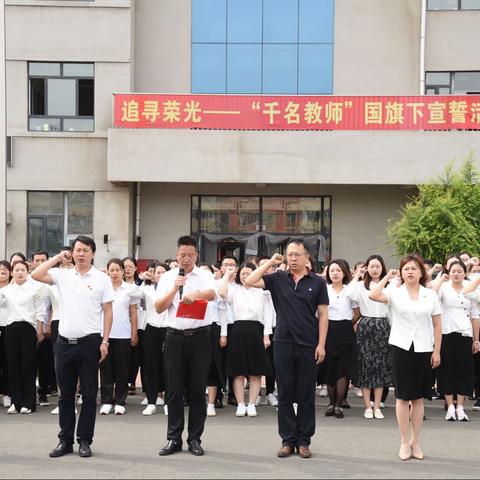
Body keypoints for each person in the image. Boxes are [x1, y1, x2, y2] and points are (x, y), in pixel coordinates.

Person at [31, 235, 114, 459]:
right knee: (65, 396)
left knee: (88, 395)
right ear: (72, 252)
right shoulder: (62, 275)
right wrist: (58, 257)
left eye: (85, 250)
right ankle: (65, 440)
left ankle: (84, 440)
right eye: (77, 250)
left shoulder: (101, 278)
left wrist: (105, 341)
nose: (80, 254)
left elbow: (108, 311)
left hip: (90, 343)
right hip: (64, 344)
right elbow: (36, 274)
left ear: (93, 253)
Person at [245, 239, 329, 459]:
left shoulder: (317, 282)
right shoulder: (278, 278)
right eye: (289, 254)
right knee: (285, 393)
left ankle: (304, 441)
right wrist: (270, 263)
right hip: (283, 342)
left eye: (297, 254)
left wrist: (321, 344)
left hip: (309, 344)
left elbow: (323, 316)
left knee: (305, 395)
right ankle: (287, 440)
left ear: (306, 256)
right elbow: (251, 281)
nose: (292, 258)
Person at [369, 255, 442, 461]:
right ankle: (403, 441)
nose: (410, 271)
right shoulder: (395, 292)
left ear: (421, 272)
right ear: (401, 272)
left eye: (414, 268)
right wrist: (388, 278)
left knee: (418, 398)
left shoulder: (430, 295)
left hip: (423, 348)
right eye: (406, 269)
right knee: (402, 397)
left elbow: (437, 324)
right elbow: (374, 295)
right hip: (400, 346)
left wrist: (437, 351)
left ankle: (416, 441)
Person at [155, 235, 216, 457]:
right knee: (174, 389)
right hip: (174, 337)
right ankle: (173, 439)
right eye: (182, 255)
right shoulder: (168, 277)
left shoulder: (205, 275)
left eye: (190, 255)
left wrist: (194, 294)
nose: (186, 259)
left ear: (196, 255)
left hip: (200, 337)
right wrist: (174, 289)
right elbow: (159, 307)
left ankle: (195, 439)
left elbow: (211, 293)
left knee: (198, 390)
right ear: (177, 255)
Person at [219, 263, 273, 417]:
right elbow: (222, 292)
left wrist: (266, 335)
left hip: (257, 330)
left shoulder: (263, 293)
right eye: (242, 273)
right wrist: (227, 275)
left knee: (256, 371)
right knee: (238, 371)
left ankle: (252, 404)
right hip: (238, 330)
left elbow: (268, 314)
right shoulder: (235, 291)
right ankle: (241, 404)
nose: (245, 276)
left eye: (248, 273)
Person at [432, 261, 479, 421]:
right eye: (453, 271)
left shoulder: (470, 287)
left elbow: (474, 315)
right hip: (446, 332)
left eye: (459, 271)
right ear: (449, 272)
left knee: (464, 370)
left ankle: (460, 406)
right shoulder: (444, 287)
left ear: (465, 273)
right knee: (447, 370)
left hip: (465, 333)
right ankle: (449, 406)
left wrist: (476, 339)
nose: (456, 274)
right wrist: (440, 279)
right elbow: (432, 296)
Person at [0, 260, 47, 414]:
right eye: (16, 270)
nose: (19, 272)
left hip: (28, 328)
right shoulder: (6, 290)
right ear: (12, 273)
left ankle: (28, 402)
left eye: (22, 270)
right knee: (12, 365)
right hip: (11, 328)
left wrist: (39, 331)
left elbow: (40, 310)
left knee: (28, 365)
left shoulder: (36, 288)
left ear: (27, 272)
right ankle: (16, 401)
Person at [350, 255, 393, 419]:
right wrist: (357, 275)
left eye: (378, 266)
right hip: (366, 325)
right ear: (366, 268)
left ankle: (377, 405)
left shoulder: (390, 285)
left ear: (383, 268)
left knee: (380, 366)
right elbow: (349, 294)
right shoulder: (360, 285)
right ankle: (367, 406)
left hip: (384, 325)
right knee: (366, 366)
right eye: (371, 266)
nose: (375, 269)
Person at [129, 262, 170, 415]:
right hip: (151, 328)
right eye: (157, 272)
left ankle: (168, 402)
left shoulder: (173, 289)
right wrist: (139, 279)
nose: (160, 275)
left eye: (163, 272)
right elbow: (132, 293)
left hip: (169, 328)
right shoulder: (146, 289)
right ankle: (151, 401)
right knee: (150, 366)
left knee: (169, 366)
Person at [99, 259, 138, 416]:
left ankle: (121, 401)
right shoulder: (103, 288)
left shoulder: (130, 289)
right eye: (112, 270)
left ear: (123, 271)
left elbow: (133, 312)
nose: (114, 273)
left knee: (122, 369)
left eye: (117, 270)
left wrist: (134, 333)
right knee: (106, 369)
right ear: (107, 271)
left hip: (123, 334)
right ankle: (107, 401)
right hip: (105, 335)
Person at [323, 259, 360, 419]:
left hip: (345, 331)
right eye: (332, 271)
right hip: (328, 330)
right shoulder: (324, 289)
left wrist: (347, 324)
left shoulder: (349, 290)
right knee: (329, 368)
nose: (335, 273)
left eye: (338, 270)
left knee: (342, 370)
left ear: (344, 272)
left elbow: (357, 313)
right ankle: (331, 404)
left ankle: (338, 405)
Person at [123, 257, 144, 397]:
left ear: (136, 268)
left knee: (136, 355)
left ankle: (132, 382)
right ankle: (124, 381)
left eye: (131, 266)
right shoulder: (117, 284)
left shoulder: (141, 284)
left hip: (140, 323)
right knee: (124, 355)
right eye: (125, 266)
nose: (128, 269)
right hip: (122, 324)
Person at [0, 261, 11, 409]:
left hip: (9, 327)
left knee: (8, 362)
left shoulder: (13, 289)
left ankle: (7, 393)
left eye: (5, 269)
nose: (2, 272)